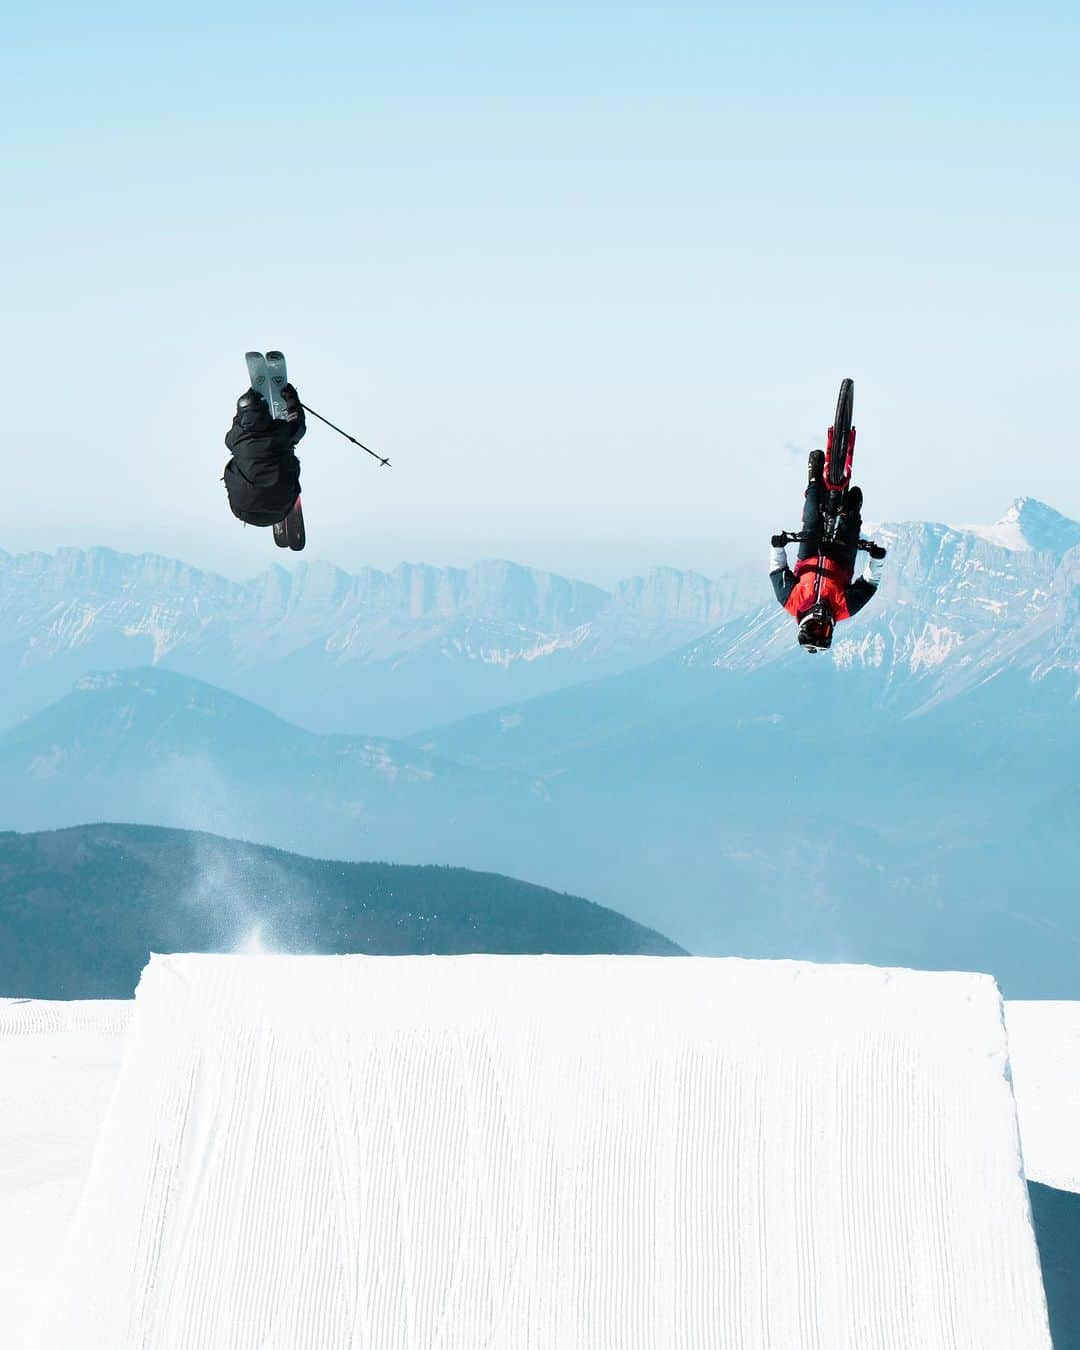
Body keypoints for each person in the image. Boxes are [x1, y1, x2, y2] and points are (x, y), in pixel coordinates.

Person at [769, 450, 886, 652]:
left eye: (816, 627)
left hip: (810, 555)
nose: (821, 623)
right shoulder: (844, 609)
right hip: (841, 559)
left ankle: (814, 479)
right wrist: (876, 560)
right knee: (851, 515)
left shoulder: (791, 602)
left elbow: (777, 571)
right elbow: (869, 584)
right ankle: (852, 509)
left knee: (812, 516)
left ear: (804, 626)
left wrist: (778, 546)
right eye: (824, 631)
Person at [223, 384, 306, 527]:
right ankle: (271, 490)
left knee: (239, 459)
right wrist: (291, 399)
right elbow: (298, 425)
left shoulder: (233, 438)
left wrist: (248, 399)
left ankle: (261, 493)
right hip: (278, 507)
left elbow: (238, 420)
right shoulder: (280, 432)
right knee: (287, 450)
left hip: (244, 511)